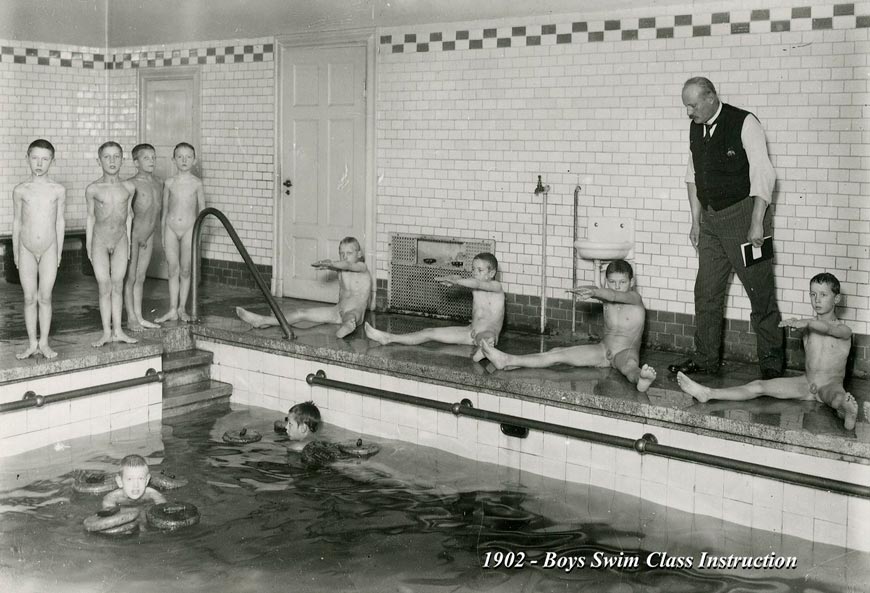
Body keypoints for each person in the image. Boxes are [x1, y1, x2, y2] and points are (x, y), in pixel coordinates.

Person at [669, 76, 783, 380]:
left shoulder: (745, 123)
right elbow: (692, 176)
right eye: (686, 106)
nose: (688, 112)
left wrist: (758, 222)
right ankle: (705, 360)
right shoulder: (696, 128)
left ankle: (771, 366)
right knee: (705, 292)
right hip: (711, 222)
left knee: (761, 293)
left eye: (692, 105)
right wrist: (696, 220)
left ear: (710, 97)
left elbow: (764, 175)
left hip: (747, 218)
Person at [677, 273, 859, 430]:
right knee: (758, 385)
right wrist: (806, 323)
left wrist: (808, 322)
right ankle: (708, 393)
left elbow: (829, 329)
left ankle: (846, 412)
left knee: (837, 398)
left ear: (836, 299)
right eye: (813, 294)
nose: (817, 299)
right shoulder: (807, 326)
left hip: (829, 384)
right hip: (806, 383)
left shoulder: (844, 330)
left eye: (823, 295)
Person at [482, 260, 657, 393]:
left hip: (624, 352)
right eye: (612, 282)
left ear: (631, 282)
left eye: (622, 282)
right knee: (557, 353)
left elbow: (612, 295)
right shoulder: (606, 296)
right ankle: (507, 361)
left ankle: (641, 380)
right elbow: (604, 293)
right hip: (603, 351)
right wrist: (587, 290)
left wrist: (595, 292)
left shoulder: (635, 299)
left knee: (630, 366)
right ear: (606, 282)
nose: (618, 287)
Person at [364, 252, 503, 361]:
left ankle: (484, 348)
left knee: (485, 340)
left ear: (491, 273)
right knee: (429, 332)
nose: (474, 272)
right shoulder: (475, 284)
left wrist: (457, 281)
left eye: (479, 270)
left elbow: (478, 284)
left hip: (487, 334)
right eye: (473, 269)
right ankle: (389, 338)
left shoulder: (496, 287)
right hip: (470, 332)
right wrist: (455, 279)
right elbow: (474, 286)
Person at [236, 237, 372, 338]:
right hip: (337, 312)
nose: (344, 257)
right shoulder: (340, 270)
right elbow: (343, 285)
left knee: (350, 317)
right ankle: (263, 321)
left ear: (359, 255)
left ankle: (347, 327)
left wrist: (332, 263)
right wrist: (332, 265)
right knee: (301, 313)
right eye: (341, 253)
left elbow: (349, 265)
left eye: (349, 253)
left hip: (354, 313)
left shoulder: (362, 267)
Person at [11, 139, 66, 359]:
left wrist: (59, 251)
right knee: (28, 297)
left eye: (44, 159)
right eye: (35, 158)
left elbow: (59, 222)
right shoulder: (20, 190)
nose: (39, 163)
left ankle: (44, 343)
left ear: (52, 161)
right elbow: (17, 222)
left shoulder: (57, 190)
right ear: (27, 158)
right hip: (26, 248)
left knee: (45, 297)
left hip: (49, 248)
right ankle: (32, 343)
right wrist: (16, 251)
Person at [85, 141, 137, 347]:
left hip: (121, 239)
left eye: (116, 156)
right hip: (99, 240)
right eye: (107, 157)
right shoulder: (93, 189)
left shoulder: (128, 187)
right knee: (104, 285)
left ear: (122, 159)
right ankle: (106, 332)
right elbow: (90, 217)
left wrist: (130, 243)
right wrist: (89, 246)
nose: (112, 161)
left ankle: (118, 330)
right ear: (99, 161)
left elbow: (130, 217)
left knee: (118, 284)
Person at [155, 142, 205, 323]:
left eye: (188, 157)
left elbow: (203, 211)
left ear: (194, 160)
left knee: (185, 270)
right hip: (170, 228)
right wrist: (162, 234)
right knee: (172, 269)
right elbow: (165, 210)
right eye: (180, 157)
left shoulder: (197, 183)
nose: (184, 160)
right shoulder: (169, 182)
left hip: (189, 229)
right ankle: (172, 309)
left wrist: (199, 236)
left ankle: (183, 308)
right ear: (173, 159)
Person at [124, 143, 163, 332]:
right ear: (136, 162)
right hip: (133, 237)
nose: (152, 161)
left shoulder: (158, 183)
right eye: (146, 158)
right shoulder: (131, 184)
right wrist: (131, 238)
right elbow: (126, 215)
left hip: (148, 237)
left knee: (141, 277)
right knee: (130, 278)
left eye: (154, 157)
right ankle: (131, 318)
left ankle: (139, 317)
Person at [101, 454, 167, 509]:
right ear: (120, 481)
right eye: (129, 479)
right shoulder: (113, 497)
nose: (136, 485)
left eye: (140, 478)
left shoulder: (151, 493)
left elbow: (162, 507)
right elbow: (108, 511)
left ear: (147, 480)